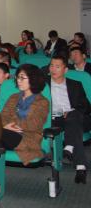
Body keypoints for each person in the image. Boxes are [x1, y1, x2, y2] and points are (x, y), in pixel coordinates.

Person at [48, 55, 91, 184]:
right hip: (53, 119)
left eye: (57, 66)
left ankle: (70, 146)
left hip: (74, 117)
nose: (53, 69)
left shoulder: (75, 85)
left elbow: (86, 106)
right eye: (51, 66)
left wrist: (72, 111)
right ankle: (80, 165)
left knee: (73, 116)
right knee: (75, 126)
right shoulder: (43, 84)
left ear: (65, 70)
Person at [0, 64, 49, 165]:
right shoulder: (13, 97)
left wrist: (9, 126)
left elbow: (34, 124)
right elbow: (3, 116)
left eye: (22, 78)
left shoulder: (42, 102)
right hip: (7, 134)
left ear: (33, 79)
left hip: (27, 138)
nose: (18, 80)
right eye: (18, 77)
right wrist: (5, 125)